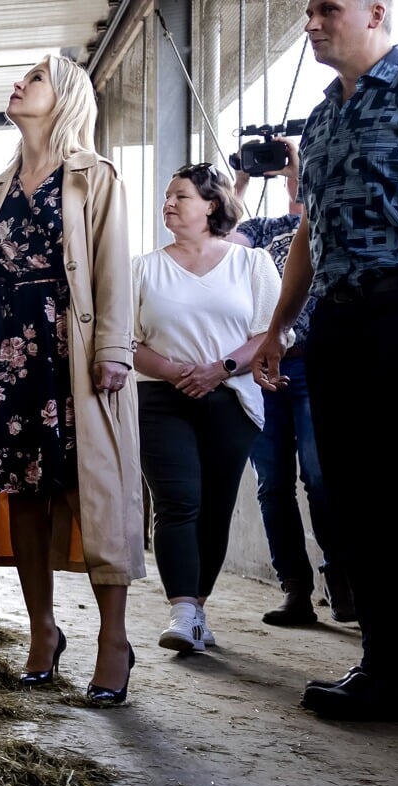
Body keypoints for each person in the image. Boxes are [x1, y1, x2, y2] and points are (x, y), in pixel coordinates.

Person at [253, 0, 398, 721]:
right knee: (350, 496)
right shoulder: (322, 119)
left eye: (328, 9)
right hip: (336, 322)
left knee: (392, 490)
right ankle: (381, 666)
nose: (312, 23)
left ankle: (394, 675)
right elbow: (306, 234)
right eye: (308, 11)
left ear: (377, 13)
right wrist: (277, 327)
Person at [0, 54, 142, 705]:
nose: (20, 84)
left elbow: (114, 271)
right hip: (8, 362)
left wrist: (113, 348)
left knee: (96, 497)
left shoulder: (95, 176)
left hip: (77, 359)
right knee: (23, 495)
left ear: (65, 98)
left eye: (36, 78)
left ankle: (113, 641)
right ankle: (42, 630)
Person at [133, 164, 280, 654]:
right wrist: (176, 371)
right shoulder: (142, 268)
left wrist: (220, 368)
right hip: (159, 398)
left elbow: (273, 332)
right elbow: (122, 342)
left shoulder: (253, 264)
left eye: (181, 196)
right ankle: (183, 611)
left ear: (212, 204)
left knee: (215, 507)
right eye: (167, 197)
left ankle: (198, 606)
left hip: (232, 398)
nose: (169, 204)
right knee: (178, 501)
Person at [230, 138, 355, 627]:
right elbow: (223, 236)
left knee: (321, 478)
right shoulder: (260, 230)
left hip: (314, 363)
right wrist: (240, 178)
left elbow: (314, 201)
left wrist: (298, 161)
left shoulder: (319, 221)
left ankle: (340, 575)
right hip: (264, 367)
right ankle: (296, 591)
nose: (291, 179)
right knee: (272, 483)